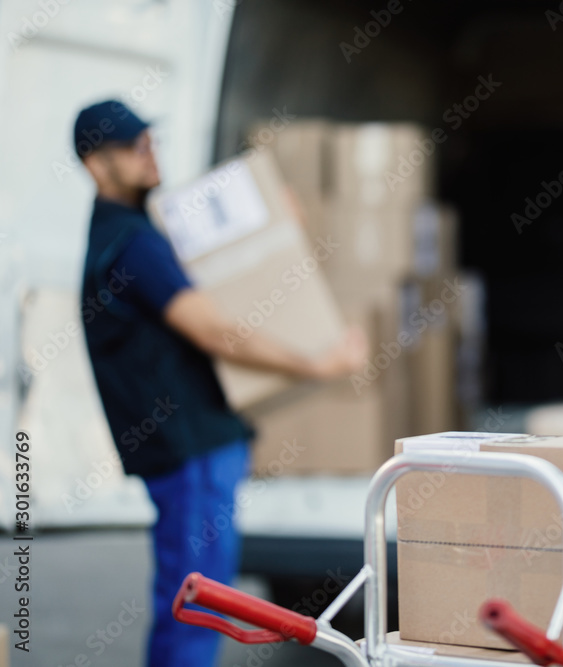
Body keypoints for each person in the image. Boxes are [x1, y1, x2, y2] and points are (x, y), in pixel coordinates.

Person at [75, 100, 368, 667]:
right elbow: (216, 331)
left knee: (191, 601)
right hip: (188, 451)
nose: (148, 154)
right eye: (132, 148)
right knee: (196, 604)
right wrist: (318, 363)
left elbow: (226, 262)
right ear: (95, 165)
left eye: (149, 141)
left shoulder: (130, 233)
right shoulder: (132, 244)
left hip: (190, 448)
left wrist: (281, 226)